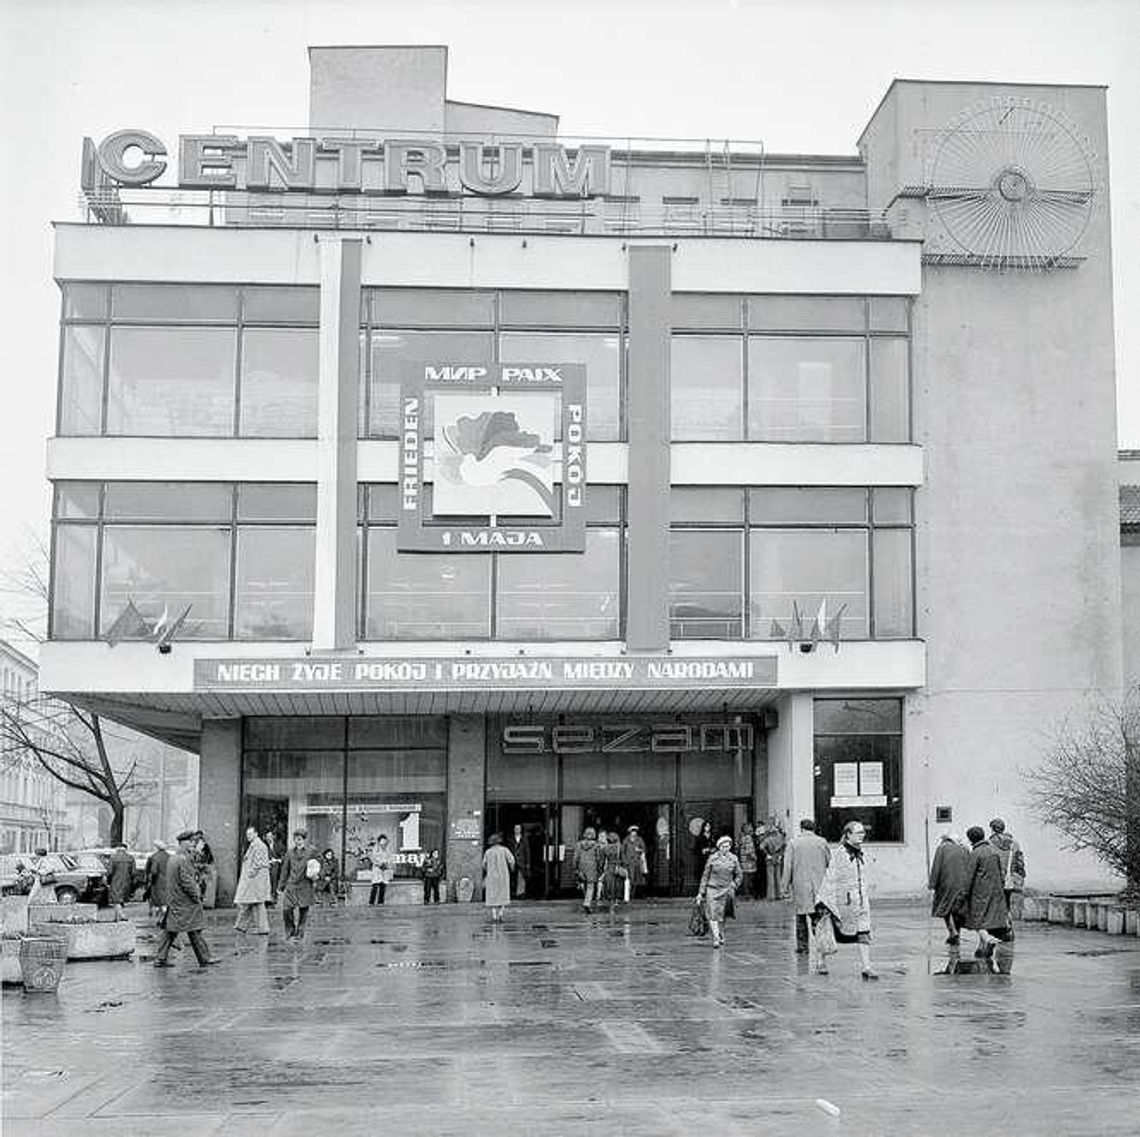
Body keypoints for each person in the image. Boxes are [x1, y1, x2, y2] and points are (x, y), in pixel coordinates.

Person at [815, 820, 878, 979]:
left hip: (860, 900)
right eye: (858, 833)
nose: (862, 835)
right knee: (830, 931)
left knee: (863, 932)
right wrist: (825, 901)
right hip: (843, 901)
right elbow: (830, 878)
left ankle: (866, 967)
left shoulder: (861, 853)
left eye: (863, 832)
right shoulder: (839, 854)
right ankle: (821, 960)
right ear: (848, 834)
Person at [153, 830, 216, 969]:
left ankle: (160, 958)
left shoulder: (174, 858)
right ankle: (205, 958)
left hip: (175, 900)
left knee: (171, 931)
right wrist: (197, 896)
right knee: (194, 929)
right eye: (190, 841)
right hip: (185, 902)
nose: (192, 844)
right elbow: (187, 882)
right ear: (183, 843)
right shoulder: (183, 859)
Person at [782, 819, 831, 954]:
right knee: (818, 918)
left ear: (801, 829)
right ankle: (821, 945)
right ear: (813, 829)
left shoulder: (793, 843)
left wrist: (784, 887)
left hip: (800, 885)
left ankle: (803, 947)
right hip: (819, 886)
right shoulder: (822, 842)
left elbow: (788, 867)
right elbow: (829, 863)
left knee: (801, 917)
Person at [963, 825, 1011, 958]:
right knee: (988, 920)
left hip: (980, 893)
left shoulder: (975, 853)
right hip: (995, 892)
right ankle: (982, 947)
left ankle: (988, 940)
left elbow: (969, 876)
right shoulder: (993, 851)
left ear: (971, 839)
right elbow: (1000, 873)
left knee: (977, 920)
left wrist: (963, 893)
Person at [698, 835, 743, 948]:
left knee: (722, 915)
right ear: (719, 847)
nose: (725, 848)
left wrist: (734, 884)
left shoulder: (734, 858)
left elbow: (739, 875)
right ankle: (716, 937)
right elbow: (705, 875)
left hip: (726, 889)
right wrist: (701, 892)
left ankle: (721, 933)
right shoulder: (712, 858)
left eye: (728, 846)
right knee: (713, 913)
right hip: (712, 889)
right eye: (723, 846)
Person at [928, 832, 970, 945]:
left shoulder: (942, 848)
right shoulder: (964, 849)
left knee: (945, 907)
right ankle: (957, 932)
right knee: (958, 910)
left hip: (946, 883)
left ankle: (952, 932)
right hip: (962, 883)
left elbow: (937, 866)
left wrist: (932, 883)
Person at [277, 829, 319, 940]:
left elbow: (319, 865)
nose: (298, 841)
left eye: (300, 839)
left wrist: (317, 875)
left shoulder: (311, 852)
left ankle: (300, 932)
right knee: (286, 909)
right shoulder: (290, 853)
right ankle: (290, 930)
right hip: (291, 884)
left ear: (304, 840)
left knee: (303, 910)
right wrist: (281, 886)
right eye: (296, 839)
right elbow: (285, 870)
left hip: (305, 884)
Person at [233, 825, 271, 935]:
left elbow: (258, 863)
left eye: (250, 834)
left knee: (256, 903)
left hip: (255, 880)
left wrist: (250, 874)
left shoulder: (258, 846)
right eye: (247, 834)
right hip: (254, 880)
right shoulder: (255, 845)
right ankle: (241, 925)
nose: (248, 836)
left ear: (256, 834)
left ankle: (262, 928)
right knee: (249, 903)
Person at [988, 818, 1026, 915]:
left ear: (992, 829)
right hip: (1009, 879)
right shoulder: (1014, 844)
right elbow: (1020, 863)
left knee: (994, 906)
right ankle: (1007, 923)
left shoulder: (989, 844)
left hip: (993, 880)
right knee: (1006, 903)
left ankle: (997, 926)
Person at [482, 833, 515, 923]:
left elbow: (484, 864)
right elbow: (512, 861)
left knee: (492, 896)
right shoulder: (505, 850)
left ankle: (494, 916)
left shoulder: (488, 852)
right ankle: (500, 914)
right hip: (503, 876)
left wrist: (488, 870)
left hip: (491, 876)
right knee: (503, 895)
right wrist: (511, 869)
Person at [573, 827, 601, 913]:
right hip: (592, 867)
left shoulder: (579, 844)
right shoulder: (596, 845)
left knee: (584, 884)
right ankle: (587, 903)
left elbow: (575, 857)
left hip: (582, 866)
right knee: (590, 886)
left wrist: (575, 867)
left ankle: (586, 900)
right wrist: (600, 867)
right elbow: (598, 858)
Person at [759, 819, 787, 900]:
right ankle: (779, 894)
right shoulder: (780, 836)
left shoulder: (767, 838)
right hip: (778, 856)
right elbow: (784, 846)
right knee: (778, 876)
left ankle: (771, 895)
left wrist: (767, 854)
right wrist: (781, 855)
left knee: (770, 877)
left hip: (770, 857)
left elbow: (761, 847)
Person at [597, 829, 623, 912]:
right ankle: (616, 900)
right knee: (617, 884)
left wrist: (600, 869)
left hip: (609, 868)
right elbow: (624, 859)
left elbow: (601, 861)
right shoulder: (620, 847)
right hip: (617, 867)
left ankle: (610, 902)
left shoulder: (605, 848)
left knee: (609, 885)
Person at [108, 842, 135, 920]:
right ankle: (117, 918)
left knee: (116, 900)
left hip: (116, 881)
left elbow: (110, 872)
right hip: (127, 881)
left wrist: (109, 881)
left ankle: (122, 916)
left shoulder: (113, 858)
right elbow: (133, 872)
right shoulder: (130, 858)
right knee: (121, 899)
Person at [621, 824, 648, 901]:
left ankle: (635, 895)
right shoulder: (626, 840)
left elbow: (644, 849)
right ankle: (629, 895)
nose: (634, 832)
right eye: (632, 831)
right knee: (629, 879)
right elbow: (623, 851)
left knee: (637, 879)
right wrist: (624, 861)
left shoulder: (639, 840)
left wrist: (639, 850)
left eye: (635, 831)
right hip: (629, 863)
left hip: (637, 862)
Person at [144, 840, 170, 920]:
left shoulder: (154, 857)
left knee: (158, 902)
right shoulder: (169, 856)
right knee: (165, 901)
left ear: (156, 847)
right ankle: (163, 918)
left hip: (157, 882)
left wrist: (149, 881)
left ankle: (161, 919)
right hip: (169, 881)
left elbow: (153, 871)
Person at [369, 834, 393, 905]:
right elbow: (373, 858)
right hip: (377, 869)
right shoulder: (375, 849)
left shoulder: (387, 849)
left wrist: (386, 863)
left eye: (385, 842)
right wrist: (379, 864)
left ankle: (381, 902)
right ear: (379, 842)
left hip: (384, 870)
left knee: (383, 886)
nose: (383, 844)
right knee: (375, 886)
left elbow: (390, 858)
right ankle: (371, 902)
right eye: (382, 842)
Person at [509, 823, 531, 899]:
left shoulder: (524, 839)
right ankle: (514, 893)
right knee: (513, 878)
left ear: (521, 830)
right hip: (513, 861)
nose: (517, 830)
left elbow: (527, 851)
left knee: (521, 877)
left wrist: (528, 863)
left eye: (518, 828)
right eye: (515, 828)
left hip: (522, 861)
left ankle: (521, 893)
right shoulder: (511, 839)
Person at [738, 823, 759, 900]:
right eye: (750, 828)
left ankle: (746, 895)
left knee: (745, 879)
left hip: (743, 861)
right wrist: (754, 857)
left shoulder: (742, 838)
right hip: (749, 862)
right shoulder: (748, 838)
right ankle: (749, 895)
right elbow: (749, 851)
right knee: (749, 880)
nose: (752, 829)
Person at [263, 829, 282, 906]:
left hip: (276, 866)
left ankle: (274, 897)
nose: (269, 838)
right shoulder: (264, 845)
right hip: (266, 865)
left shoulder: (278, 845)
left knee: (274, 879)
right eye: (268, 836)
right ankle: (267, 897)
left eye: (270, 836)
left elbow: (283, 855)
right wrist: (269, 861)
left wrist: (277, 860)